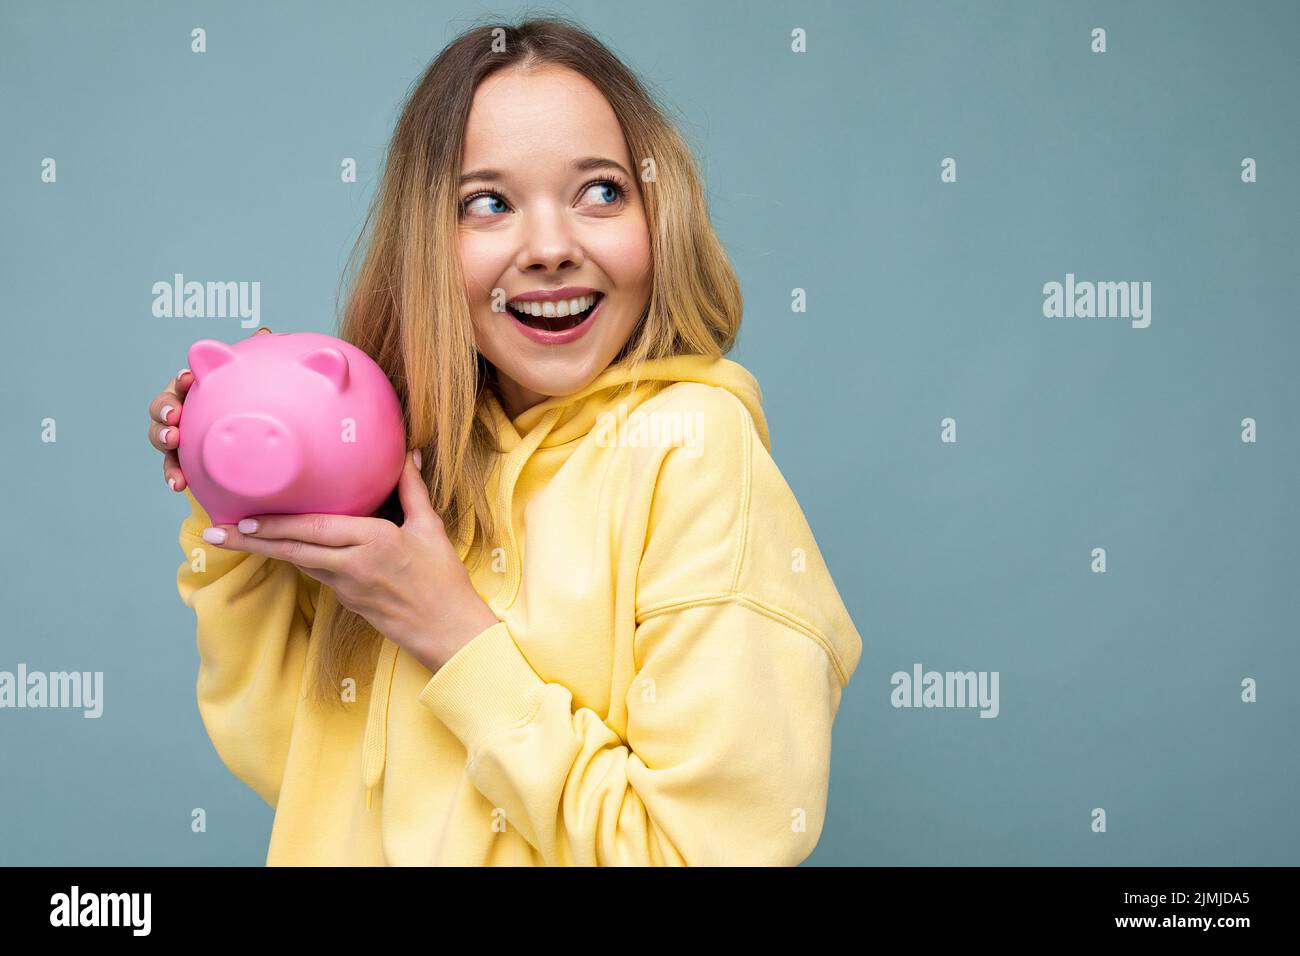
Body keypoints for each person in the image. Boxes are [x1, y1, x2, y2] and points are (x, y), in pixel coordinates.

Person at [146, 15, 862, 866]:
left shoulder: (693, 453)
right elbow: (298, 762)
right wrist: (238, 508)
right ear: (427, 242)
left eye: (600, 191)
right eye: (488, 204)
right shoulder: (417, 460)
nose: (552, 249)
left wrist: (453, 634)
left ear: (657, 212)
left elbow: (695, 850)